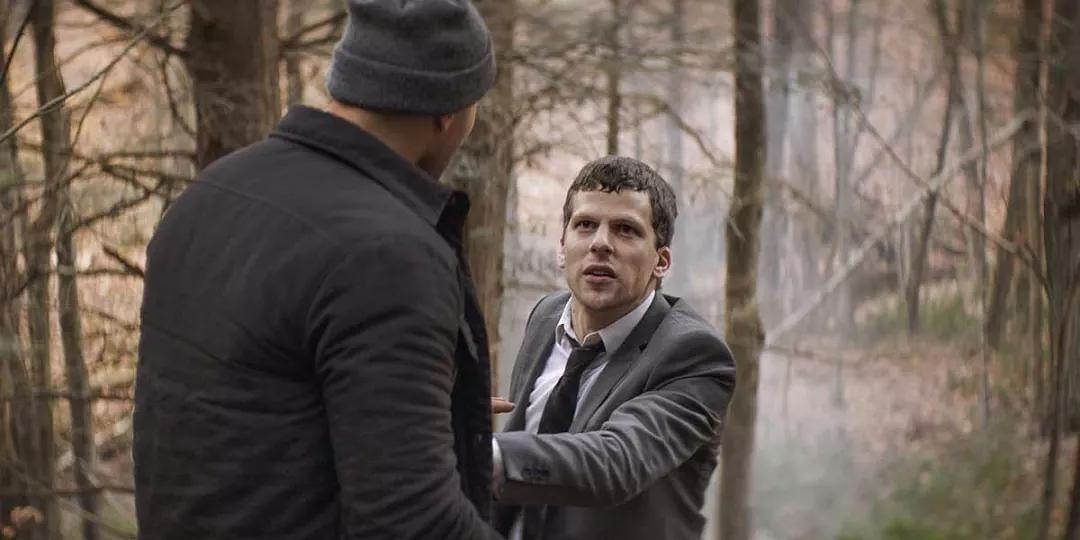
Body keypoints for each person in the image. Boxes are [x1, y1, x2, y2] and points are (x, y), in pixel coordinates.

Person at [134, 1, 502, 538]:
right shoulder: (390, 255)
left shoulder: (209, 192)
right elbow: (414, 521)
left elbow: (250, 420)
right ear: (449, 112)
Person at [492, 156, 737, 540]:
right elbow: (525, 439)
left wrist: (484, 452)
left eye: (625, 230)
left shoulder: (696, 355)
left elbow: (615, 462)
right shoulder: (545, 317)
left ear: (661, 261)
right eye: (585, 225)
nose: (601, 244)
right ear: (562, 247)